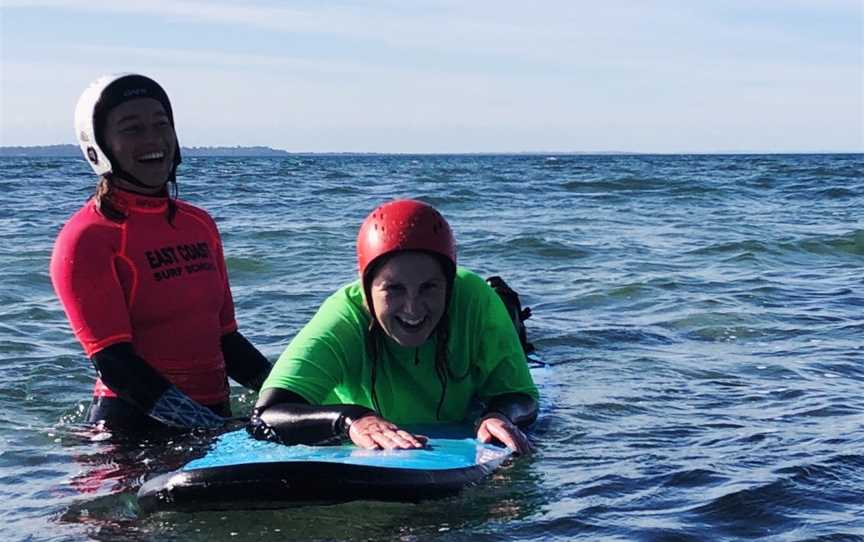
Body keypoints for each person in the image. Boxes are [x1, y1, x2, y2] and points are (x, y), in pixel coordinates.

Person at [50, 73, 272, 431]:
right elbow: (114, 363)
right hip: (131, 431)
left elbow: (226, 340)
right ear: (98, 146)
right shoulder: (87, 237)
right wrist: (207, 426)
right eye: (132, 128)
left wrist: (291, 393)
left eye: (161, 124)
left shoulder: (199, 225)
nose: (153, 139)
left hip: (212, 420)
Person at [249, 199, 538, 453]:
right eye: (394, 289)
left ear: (449, 287)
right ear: (366, 289)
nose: (412, 308)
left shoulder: (474, 301)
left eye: (429, 288)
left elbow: (521, 395)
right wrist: (349, 420)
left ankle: (510, 315)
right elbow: (266, 414)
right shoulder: (344, 317)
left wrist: (499, 415)